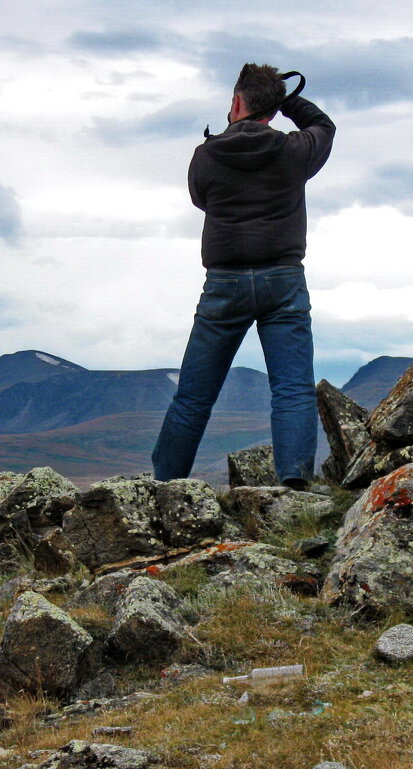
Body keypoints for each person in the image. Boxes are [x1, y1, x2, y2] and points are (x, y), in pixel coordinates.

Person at [152, 63, 335, 488]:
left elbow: (202, 199)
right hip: (284, 281)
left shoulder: (206, 155)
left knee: (194, 397)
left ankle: (164, 488)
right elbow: (323, 124)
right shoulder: (295, 150)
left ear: (236, 102)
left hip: (224, 284)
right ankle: (293, 485)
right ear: (273, 107)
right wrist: (288, 102)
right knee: (292, 390)